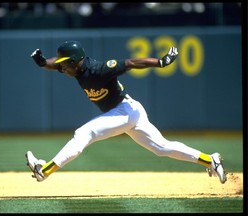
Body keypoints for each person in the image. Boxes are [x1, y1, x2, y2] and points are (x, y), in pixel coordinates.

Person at [26, 40, 227, 184]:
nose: (61, 67)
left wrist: (160, 62)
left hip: (125, 110)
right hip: (129, 112)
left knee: (83, 133)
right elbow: (53, 64)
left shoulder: (99, 69)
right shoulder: (75, 68)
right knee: (162, 148)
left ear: (73, 62)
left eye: (64, 63)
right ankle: (210, 160)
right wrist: (43, 63)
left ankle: (44, 170)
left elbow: (130, 63)